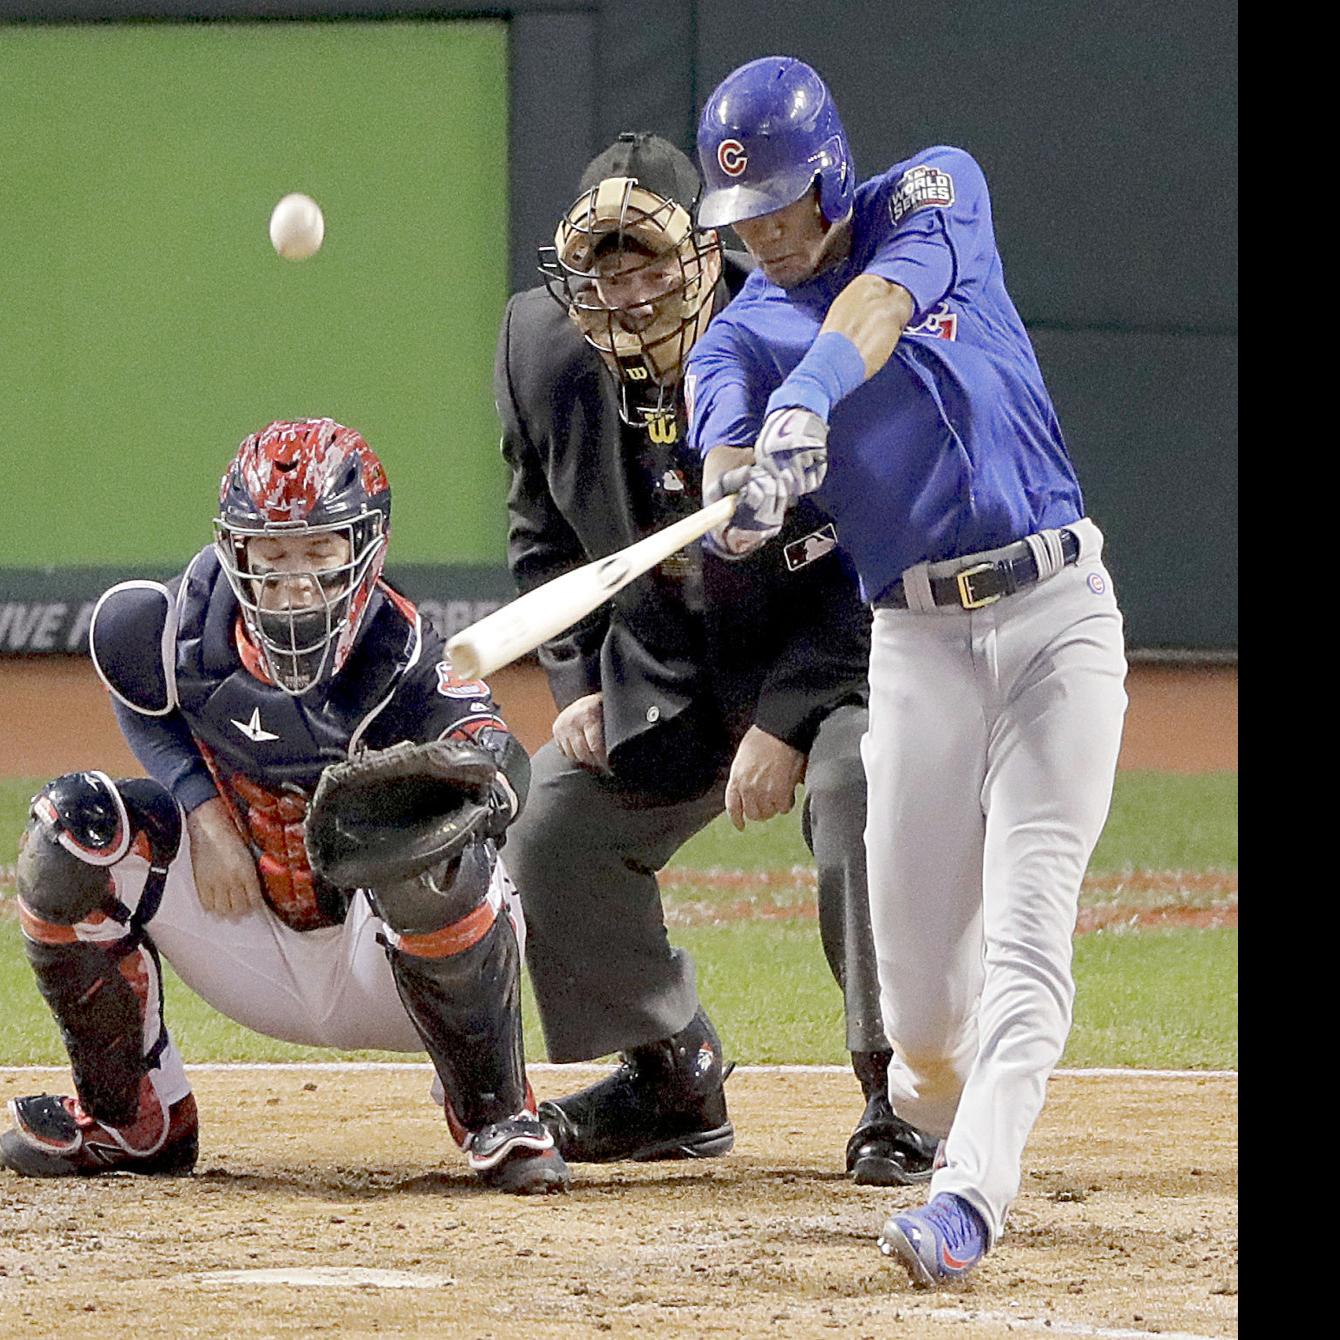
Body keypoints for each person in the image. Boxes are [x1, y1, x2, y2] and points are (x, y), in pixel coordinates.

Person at [687, 58, 1129, 1284]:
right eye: (740, 219)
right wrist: (740, 496)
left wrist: (809, 404)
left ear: (827, 173)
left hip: (1056, 618)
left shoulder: (933, 191)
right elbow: (721, 461)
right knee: (924, 1018)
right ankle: (949, 1103)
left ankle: (967, 1202)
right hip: (917, 649)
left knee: (1030, 931)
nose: (763, 236)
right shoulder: (730, 337)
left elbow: (873, 309)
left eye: (780, 204)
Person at [495, 131, 937, 1184]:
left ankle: (896, 1093)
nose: (629, 292)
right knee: (552, 821)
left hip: (829, 654)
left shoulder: (799, 339)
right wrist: (578, 682)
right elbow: (543, 541)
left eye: (649, 262)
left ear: (704, 254)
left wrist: (786, 720)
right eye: (603, 270)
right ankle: (670, 1076)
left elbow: (874, 559)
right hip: (664, 672)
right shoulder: (539, 350)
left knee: (857, 778)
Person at [2, 418, 569, 1196]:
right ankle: (130, 1121)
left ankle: (496, 1113)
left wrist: (478, 771)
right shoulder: (177, 625)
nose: (294, 581)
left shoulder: (406, 659)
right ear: (235, 551)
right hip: (247, 939)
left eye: (319, 552)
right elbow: (141, 701)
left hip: (387, 966)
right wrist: (201, 812)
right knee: (68, 831)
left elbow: (502, 762)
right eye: (270, 556)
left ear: (365, 548)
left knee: (438, 847)